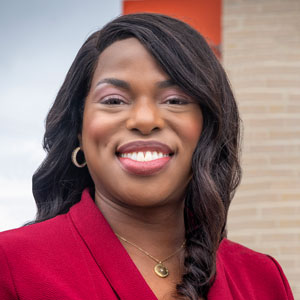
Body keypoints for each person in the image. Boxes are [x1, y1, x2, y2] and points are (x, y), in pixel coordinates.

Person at [0, 13, 294, 300]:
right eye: (114, 100)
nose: (144, 119)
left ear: (208, 128)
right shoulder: (11, 265)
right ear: (79, 130)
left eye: (175, 100)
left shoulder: (261, 278)